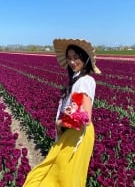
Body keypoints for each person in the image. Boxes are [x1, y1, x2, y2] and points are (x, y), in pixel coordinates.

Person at [22, 38, 101, 187]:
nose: (72, 62)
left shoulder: (84, 81)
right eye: (69, 58)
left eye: (76, 58)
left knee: (61, 175)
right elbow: (76, 110)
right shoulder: (78, 80)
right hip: (73, 131)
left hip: (79, 134)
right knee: (61, 173)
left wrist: (60, 122)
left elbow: (84, 117)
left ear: (85, 59)